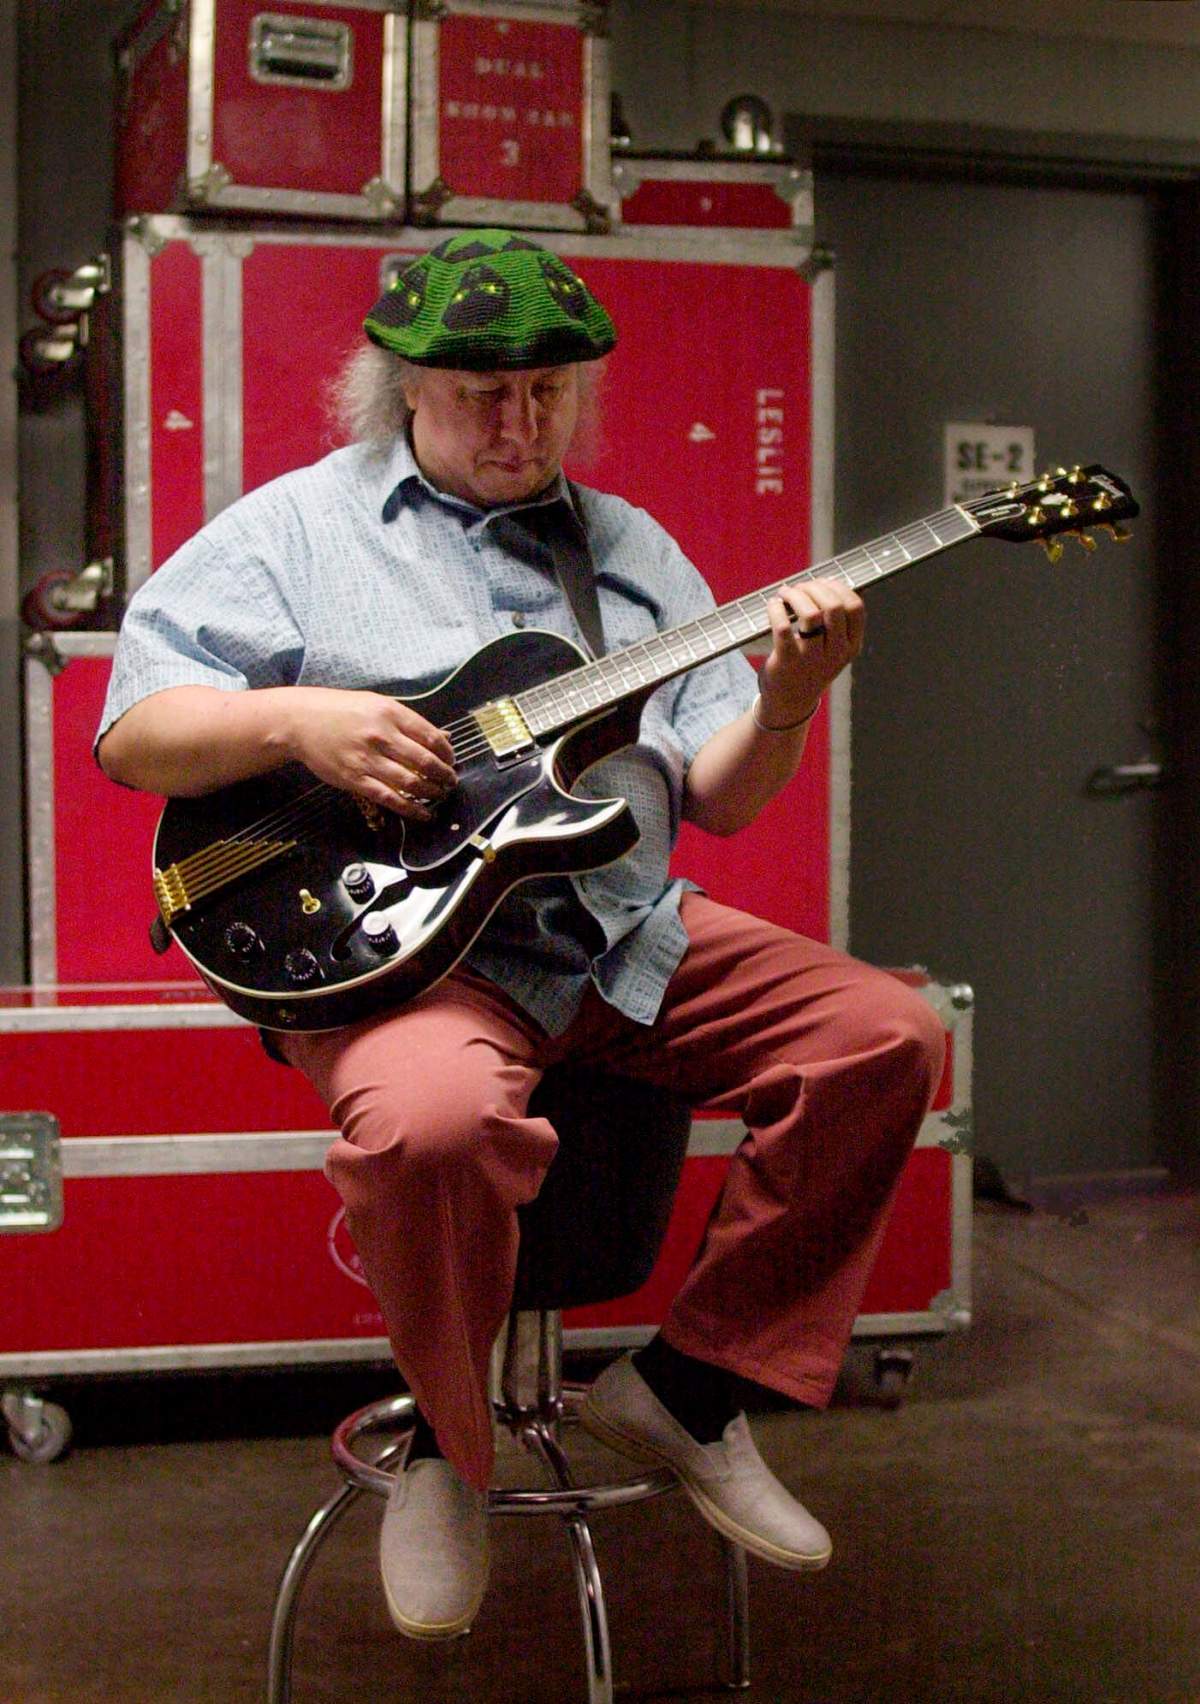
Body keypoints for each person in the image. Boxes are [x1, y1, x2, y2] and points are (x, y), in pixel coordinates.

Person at [97, 230, 945, 1640]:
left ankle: (689, 1392)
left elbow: (721, 797)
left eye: (551, 393)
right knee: (425, 1125)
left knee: (890, 1038)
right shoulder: (298, 530)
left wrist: (791, 697)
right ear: (401, 388)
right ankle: (450, 1447)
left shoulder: (627, 554)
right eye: (484, 395)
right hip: (417, 953)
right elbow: (137, 735)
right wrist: (299, 717)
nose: (521, 424)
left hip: (616, 926)